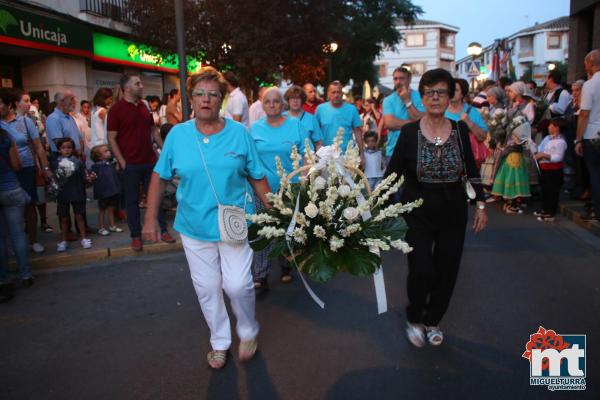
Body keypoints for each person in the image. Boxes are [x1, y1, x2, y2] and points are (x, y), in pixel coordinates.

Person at [142, 67, 271, 369]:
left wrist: (277, 213)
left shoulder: (239, 133)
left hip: (235, 222)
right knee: (207, 287)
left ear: (222, 99)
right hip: (194, 225)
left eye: (213, 94)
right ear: (191, 98)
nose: (206, 100)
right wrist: (150, 218)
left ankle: (249, 330)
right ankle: (220, 341)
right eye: (200, 94)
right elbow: (159, 177)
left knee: (238, 285)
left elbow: (257, 176)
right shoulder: (177, 135)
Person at [384, 68, 487, 347]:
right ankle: (415, 318)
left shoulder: (459, 130)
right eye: (430, 92)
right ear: (422, 96)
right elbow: (393, 174)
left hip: (453, 208)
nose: (436, 98)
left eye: (442, 92)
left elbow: (471, 168)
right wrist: (375, 206)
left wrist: (480, 204)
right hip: (417, 209)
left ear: (450, 95)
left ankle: (432, 320)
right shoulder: (408, 132)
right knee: (420, 270)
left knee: (447, 269)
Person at [107, 74, 174, 251]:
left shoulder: (144, 106)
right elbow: (111, 138)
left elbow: (153, 131)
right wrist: (122, 162)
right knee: (132, 201)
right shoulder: (116, 109)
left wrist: (165, 151)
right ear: (127, 88)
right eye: (137, 83)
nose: (142, 86)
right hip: (130, 164)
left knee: (156, 197)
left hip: (150, 161)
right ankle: (136, 236)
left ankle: (163, 230)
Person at [250, 87, 308, 291]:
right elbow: (250, 158)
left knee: (287, 230)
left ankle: (286, 267)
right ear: (262, 105)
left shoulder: (295, 125)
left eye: (276, 101)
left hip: (289, 189)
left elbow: (307, 153)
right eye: (268, 101)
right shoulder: (254, 128)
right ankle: (260, 274)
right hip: (262, 189)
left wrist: (306, 179)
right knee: (262, 232)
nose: (272, 105)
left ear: (283, 104)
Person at [1, 89, 52, 254]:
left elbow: (38, 146)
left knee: (29, 204)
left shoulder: (25, 121)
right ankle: (14, 242)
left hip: (27, 168)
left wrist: (45, 168)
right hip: (6, 171)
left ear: (9, 105)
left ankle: (32, 240)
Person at [491, 81, 534, 213]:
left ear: (518, 92)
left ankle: (515, 200)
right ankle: (510, 199)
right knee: (507, 169)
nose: (508, 93)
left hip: (518, 142)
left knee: (515, 171)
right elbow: (504, 123)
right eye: (508, 91)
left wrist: (518, 131)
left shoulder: (528, 106)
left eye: (511, 91)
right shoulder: (509, 105)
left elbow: (529, 122)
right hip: (508, 140)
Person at [0, 125, 33, 295]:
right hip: (11, 187)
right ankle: (25, 274)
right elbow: (17, 165)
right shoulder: (5, 136)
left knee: (1, 237)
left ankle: (4, 278)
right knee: (18, 233)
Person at [52, 138, 93, 252]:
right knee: (64, 218)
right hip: (63, 194)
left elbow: (84, 176)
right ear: (59, 150)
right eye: (63, 148)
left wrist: (89, 178)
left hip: (77, 192)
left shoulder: (78, 162)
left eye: (69, 147)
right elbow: (54, 180)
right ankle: (64, 240)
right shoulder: (55, 163)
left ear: (73, 149)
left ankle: (84, 238)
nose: (67, 150)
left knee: (79, 217)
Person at [575, 49, 600, 221]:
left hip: (593, 134)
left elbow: (584, 114)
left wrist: (578, 139)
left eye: (586, 65)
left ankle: (597, 211)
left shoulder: (590, 85)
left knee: (595, 174)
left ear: (591, 63)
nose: (585, 68)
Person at [445, 78, 489, 170]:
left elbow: (483, 137)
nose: (452, 92)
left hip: (468, 159)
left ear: (462, 94)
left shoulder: (472, 111)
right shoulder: (441, 111)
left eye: (456, 90)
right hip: (446, 159)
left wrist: (469, 122)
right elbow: (435, 135)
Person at [383, 67, 425, 160]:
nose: (398, 81)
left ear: (409, 79)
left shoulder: (421, 97)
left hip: (417, 150)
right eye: (395, 78)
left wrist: (407, 100)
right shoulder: (388, 100)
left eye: (402, 78)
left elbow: (424, 121)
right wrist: (415, 123)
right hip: (393, 151)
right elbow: (389, 123)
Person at [315, 81, 364, 159]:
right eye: (333, 92)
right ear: (328, 94)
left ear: (342, 94)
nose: (336, 95)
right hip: (326, 155)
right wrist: (317, 152)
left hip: (347, 155)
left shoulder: (352, 109)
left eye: (338, 92)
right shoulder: (320, 109)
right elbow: (316, 132)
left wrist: (362, 153)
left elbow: (357, 131)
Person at [533, 118, 567, 222]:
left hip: (554, 170)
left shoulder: (561, 142)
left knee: (552, 191)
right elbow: (540, 149)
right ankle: (545, 209)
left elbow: (558, 158)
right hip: (544, 168)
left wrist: (544, 155)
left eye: (551, 125)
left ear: (557, 127)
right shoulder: (547, 138)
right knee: (545, 190)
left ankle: (551, 212)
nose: (548, 127)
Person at [91, 144, 123, 236]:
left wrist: (117, 163)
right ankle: (101, 227)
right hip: (103, 192)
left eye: (108, 150)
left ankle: (112, 225)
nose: (109, 152)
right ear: (99, 156)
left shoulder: (111, 163)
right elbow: (92, 176)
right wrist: (91, 176)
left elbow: (117, 171)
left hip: (112, 190)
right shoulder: (96, 167)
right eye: (106, 151)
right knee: (102, 210)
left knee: (111, 208)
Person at [46, 90, 84, 158]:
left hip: (75, 158)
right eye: (71, 99)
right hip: (63, 161)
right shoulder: (53, 118)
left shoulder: (70, 117)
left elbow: (79, 138)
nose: (75, 101)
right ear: (62, 102)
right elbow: (59, 144)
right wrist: (77, 152)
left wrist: (80, 152)